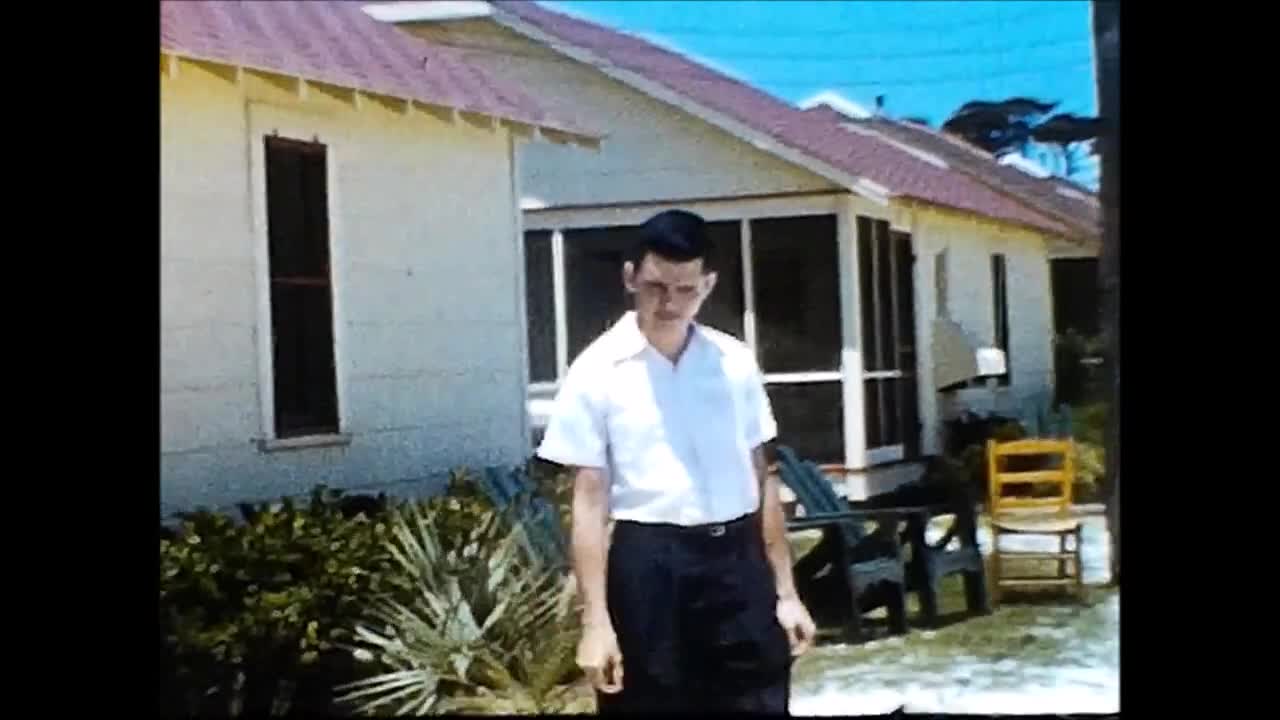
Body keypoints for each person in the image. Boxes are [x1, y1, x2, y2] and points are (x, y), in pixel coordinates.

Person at [536, 209, 817, 714]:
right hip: (649, 565)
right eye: (655, 287)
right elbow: (588, 503)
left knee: (759, 700)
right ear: (630, 278)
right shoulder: (595, 371)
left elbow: (762, 479)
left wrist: (786, 592)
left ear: (708, 284)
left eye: (686, 289)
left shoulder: (733, 363)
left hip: (737, 562)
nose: (669, 303)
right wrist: (595, 622)